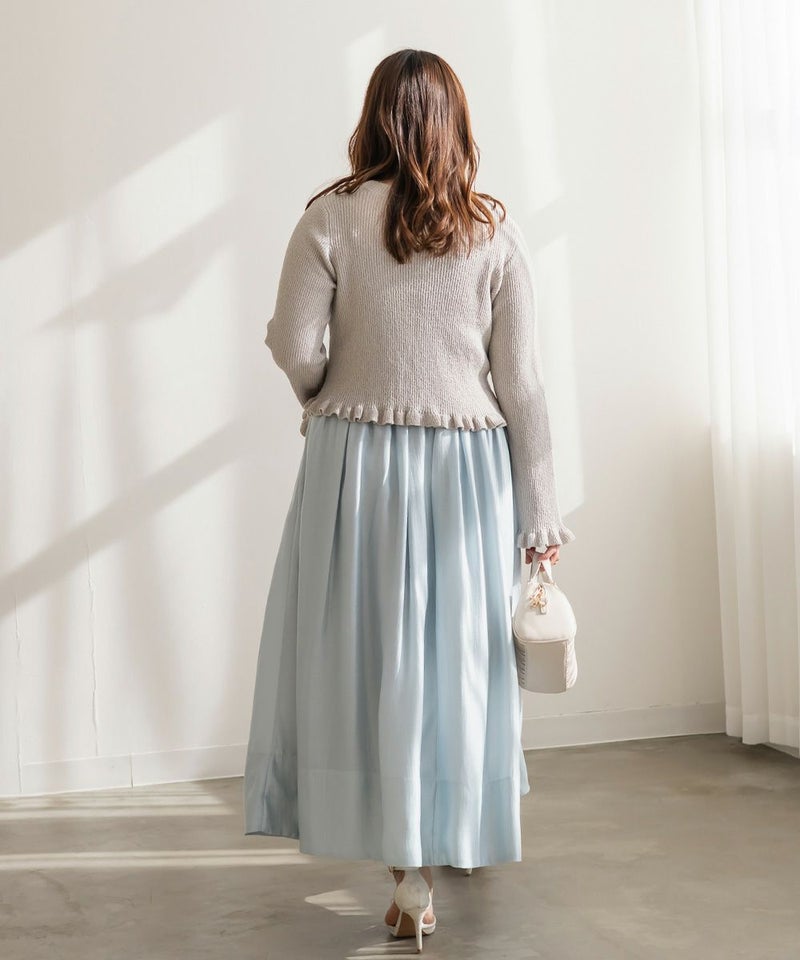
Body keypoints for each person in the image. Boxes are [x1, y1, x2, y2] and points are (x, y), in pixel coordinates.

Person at [243, 47, 575, 952]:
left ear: (374, 118)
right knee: (452, 667)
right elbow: (524, 387)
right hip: (467, 476)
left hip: (355, 466)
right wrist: (540, 513)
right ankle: (435, 849)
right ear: (455, 124)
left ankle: (404, 870)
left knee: (364, 660)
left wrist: (325, 393)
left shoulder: (328, 217)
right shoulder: (494, 233)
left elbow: (295, 345)